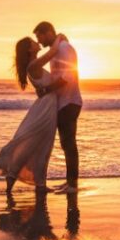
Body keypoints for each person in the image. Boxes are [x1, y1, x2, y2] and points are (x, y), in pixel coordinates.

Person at [0, 33, 68, 193]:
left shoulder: (34, 65)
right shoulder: (33, 65)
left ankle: (37, 183)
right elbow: (53, 52)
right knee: (36, 144)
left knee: (43, 145)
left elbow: (45, 86)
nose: (37, 42)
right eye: (33, 42)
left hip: (47, 106)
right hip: (45, 108)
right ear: (29, 49)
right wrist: (59, 38)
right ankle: (19, 178)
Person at [33, 21, 83, 194]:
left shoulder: (64, 48)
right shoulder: (56, 49)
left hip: (69, 102)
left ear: (48, 32)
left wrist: (46, 89)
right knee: (65, 143)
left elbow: (67, 77)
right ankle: (69, 182)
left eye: (39, 35)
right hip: (63, 102)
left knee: (69, 144)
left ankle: (73, 185)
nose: (38, 41)